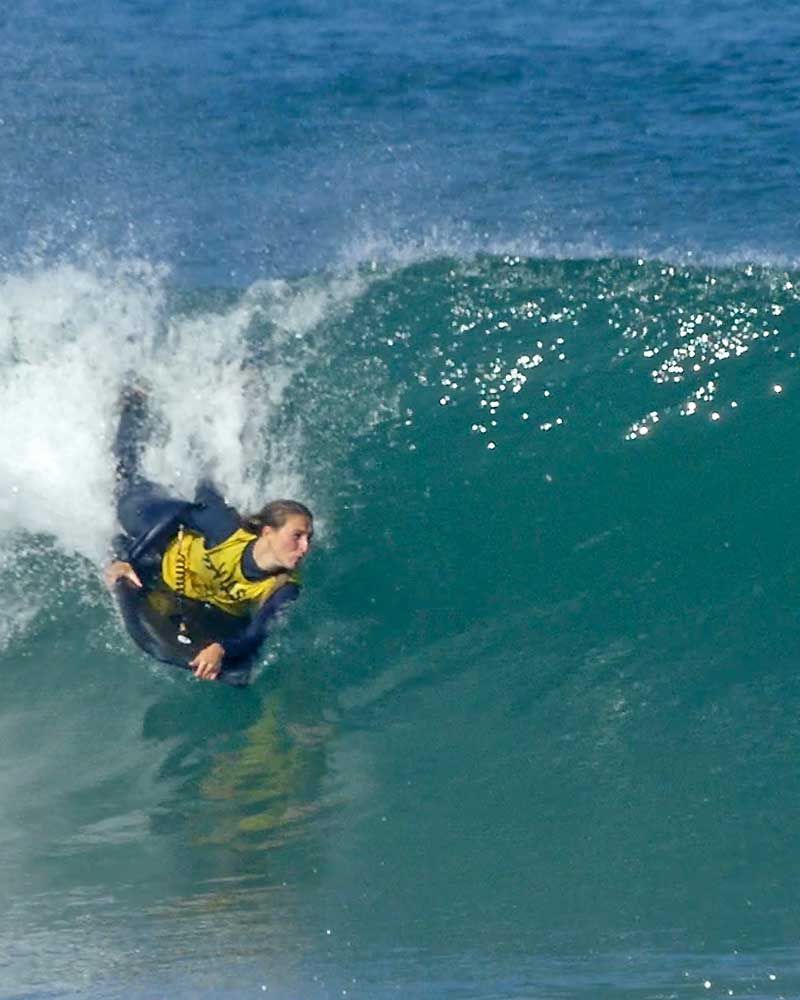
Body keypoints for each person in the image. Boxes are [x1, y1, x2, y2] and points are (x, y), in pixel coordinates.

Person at [105, 387, 313, 682]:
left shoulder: (283, 587)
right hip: (161, 553)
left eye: (308, 539)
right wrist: (127, 558)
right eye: (297, 536)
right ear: (268, 532)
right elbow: (180, 514)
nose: (305, 547)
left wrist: (221, 648)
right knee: (127, 489)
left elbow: (257, 634)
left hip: (202, 604)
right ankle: (135, 404)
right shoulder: (226, 530)